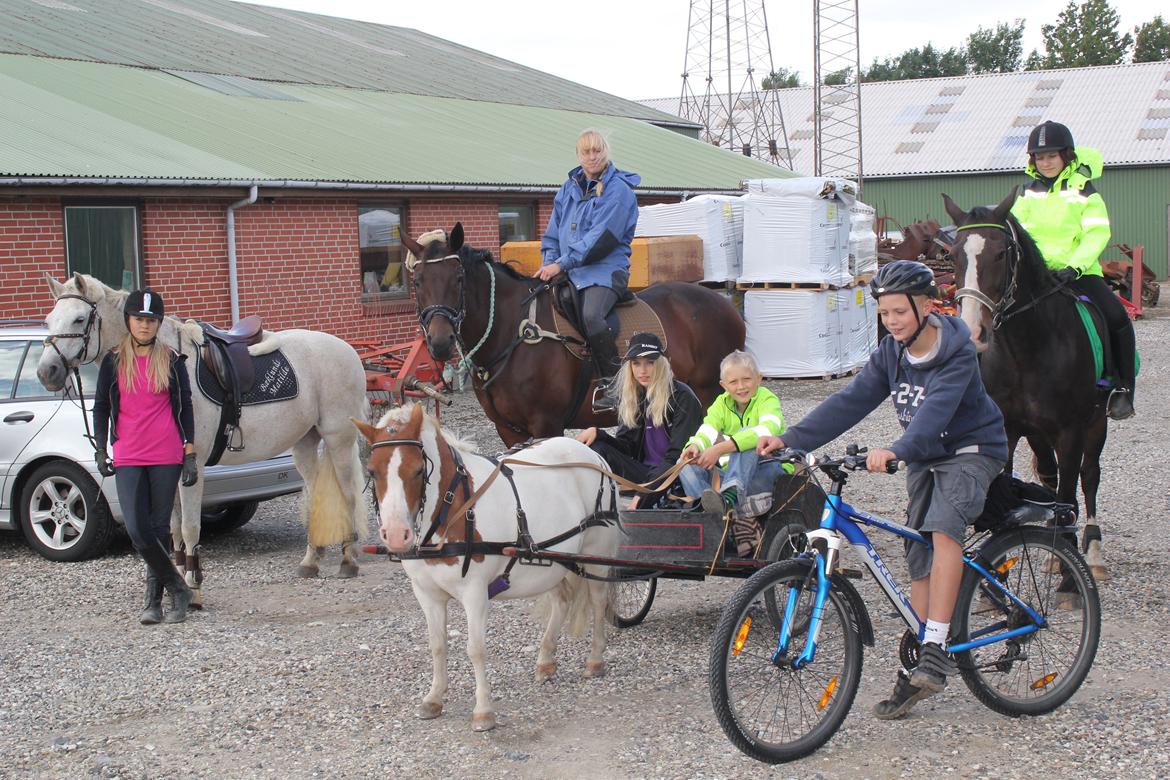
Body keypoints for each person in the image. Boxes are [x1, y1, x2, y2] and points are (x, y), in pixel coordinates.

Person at [758, 260, 1008, 719]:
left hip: (972, 449)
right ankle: (922, 651)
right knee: (916, 550)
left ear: (927, 306)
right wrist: (792, 439)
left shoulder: (955, 352)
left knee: (942, 529)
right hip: (925, 456)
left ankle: (935, 644)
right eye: (885, 313)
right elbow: (850, 401)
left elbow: (935, 415)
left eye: (899, 311)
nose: (891, 321)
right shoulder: (890, 352)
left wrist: (895, 449)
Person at [1011, 120, 1136, 420]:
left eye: (1051, 156)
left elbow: (1097, 234)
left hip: (1078, 273)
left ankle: (1122, 387)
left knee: (1117, 317)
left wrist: (1074, 267)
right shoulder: (1027, 195)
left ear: (1066, 155)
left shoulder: (1085, 192)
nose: (1046, 162)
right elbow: (1015, 234)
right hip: (1037, 276)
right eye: (1040, 157)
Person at [93, 289, 199, 625]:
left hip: (166, 453)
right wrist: (99, 448)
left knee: (156, 527)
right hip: (128, 454)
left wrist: (190, 451)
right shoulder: (112, 361)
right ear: (128, 320)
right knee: (137, 529)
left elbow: (185, 408)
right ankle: (178, 589)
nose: (144, 325)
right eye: (139, 319)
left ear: (158, 324)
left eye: (151, 320)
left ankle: (153, 602)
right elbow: (102, 408)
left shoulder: (170, 360)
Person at [538, 129, 641, 410]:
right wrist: (549, 262)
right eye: (586, 152)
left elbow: (599, 240)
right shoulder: (568, 188)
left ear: (606, 152)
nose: (592, 156)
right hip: (571, 270)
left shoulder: (618, 191)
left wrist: (562, 263)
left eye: (597, 151)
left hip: (605, 270)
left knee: (592, 315)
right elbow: (552, 234)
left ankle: (615, 384)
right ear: (578, 155)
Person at [576, 333, 703, 508]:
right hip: (645, 473)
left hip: (677, 477)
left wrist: (643, 496)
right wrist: (599, 434)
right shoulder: (635, 396)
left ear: (661, 364)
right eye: (636, 363)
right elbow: (627, 447)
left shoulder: (682, 397)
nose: (642, 371)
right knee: (596, 447)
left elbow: (676, 458)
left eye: (650, 363)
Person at [678, 350, 787, 555]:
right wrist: (695, 447)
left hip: (767, 471)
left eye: (747, 379)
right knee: (684, 462)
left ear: (759, 379)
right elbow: (708, 428)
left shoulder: (767, 399)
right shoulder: (722, 403)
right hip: (734, 476)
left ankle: (728, 501)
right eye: (734, 382)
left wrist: (719, 449)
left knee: (748, 437)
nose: (741, 386)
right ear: (724, 386)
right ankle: (711, 511)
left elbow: (766, 430)